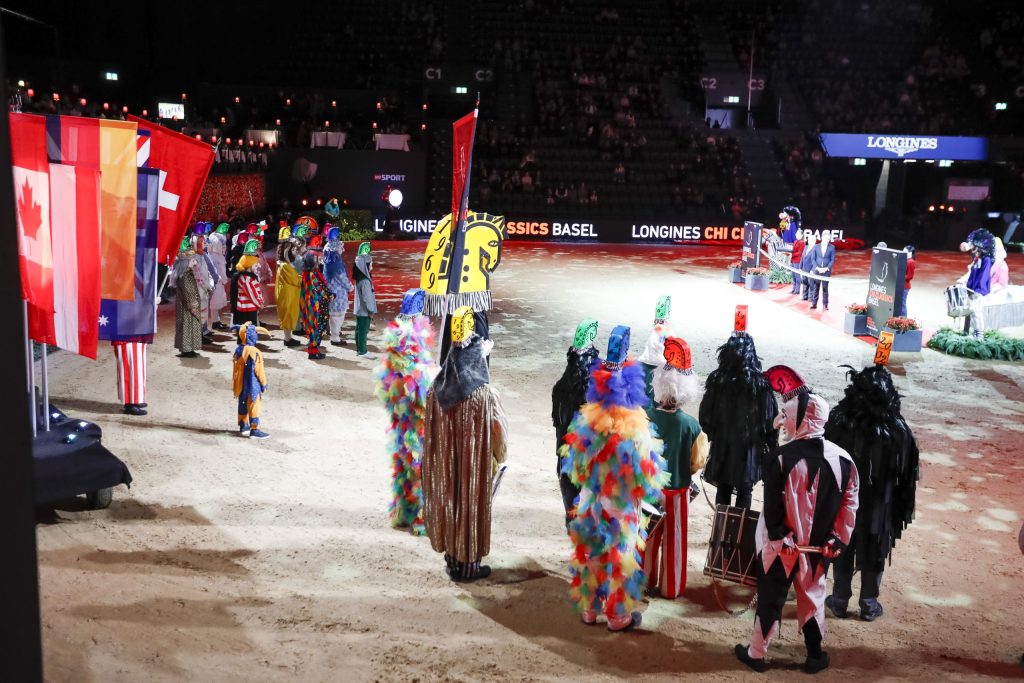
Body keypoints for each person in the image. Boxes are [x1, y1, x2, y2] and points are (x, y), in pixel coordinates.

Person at [735, 365, 859, 675]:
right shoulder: (845, 461)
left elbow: (773, 507)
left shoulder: (779, 458)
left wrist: (780, 535)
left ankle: (756, 653)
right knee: (813, 596)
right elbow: (850, 504)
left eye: (788, 416)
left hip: (781, 546)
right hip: (819, 548)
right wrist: (838, 539)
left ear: (798, 419)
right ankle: (815, 655)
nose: (784, 422)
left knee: (771, 598)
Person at [560, 325, 668, 631]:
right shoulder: (635, 426)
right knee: (620, 557)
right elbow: (646, 472)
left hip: (591, 499)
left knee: (591, 552)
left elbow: (575, 465)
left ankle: (589, 609)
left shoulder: (587, 418)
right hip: (619, 503)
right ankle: (618, 617)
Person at [824, 364, 919, 622]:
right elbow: (908, 475)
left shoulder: (839, 421)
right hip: (880, 503)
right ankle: (868, 603)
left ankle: (839, 600)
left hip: (845, 500)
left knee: (843, 543)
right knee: (875, 547)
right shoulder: (898, 428)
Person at [421, 306, 509, 582]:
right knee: (469, 501)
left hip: (447, 463)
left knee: (450, 498)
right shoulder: (482, 394)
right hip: (471, 464)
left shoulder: (437, 389)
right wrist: (498, 456)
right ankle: (469, 565)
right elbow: (497, 435)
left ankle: (452, 559)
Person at [643, 336, 707, 599]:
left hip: (649, 489)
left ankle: (643, 581)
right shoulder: (692, 425)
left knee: (647, 538)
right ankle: (671, 587)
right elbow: (697, 462)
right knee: (674, 540)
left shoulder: (644, 416)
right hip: (677, 491)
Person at [374, 289, 437, 535]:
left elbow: (388, 387)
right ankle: (421, 518)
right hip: (416, 422)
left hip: (400, 421)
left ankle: (403, 513)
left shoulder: (394, 344)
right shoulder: (412, 342)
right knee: (420, 467)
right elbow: (419, 389)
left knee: (403, 467)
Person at [699, 326, 778, 509]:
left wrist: (713, 433)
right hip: (750, 448)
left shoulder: (718, 380)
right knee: (745, 490)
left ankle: (720, 525)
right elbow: (770, 419)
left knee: (723, 488)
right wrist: (771, 445)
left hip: (723, 444)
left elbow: (705, 415)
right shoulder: (761, 383)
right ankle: (739, 526)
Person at [551, 318, 600, 528]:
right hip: (587, 459)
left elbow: (558, 423)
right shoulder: (596, 389)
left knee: (574, 513)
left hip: (568, 456)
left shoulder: (560, 387)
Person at [169, 236, 212, 358]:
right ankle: (187, 349)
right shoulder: (185, 275)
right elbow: (188, 291)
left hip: (186, 305)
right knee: (187, 326)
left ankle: (189, 348)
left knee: (188, 326)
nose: (194, 262)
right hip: (188, 306)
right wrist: (193, 305)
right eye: (192, 260)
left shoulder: (186, 273)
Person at [233, 321, 271, 439]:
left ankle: (243, 425)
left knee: (242, 403)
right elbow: (259, 370)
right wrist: (264, 383)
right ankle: (255, 430)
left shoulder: (238, 350)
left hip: (241, 384)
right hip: (253, 384)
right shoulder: (255, 352)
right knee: (254, 404)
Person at [299, 236, 331, 360]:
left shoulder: (313, 272)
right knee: (316, 328)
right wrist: (329, 295)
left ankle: (315, 348)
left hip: (317, 304)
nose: (321, 260)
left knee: (318, 328)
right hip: (315, 306)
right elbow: (319, 289)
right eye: (319, 258)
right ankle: (313, 351)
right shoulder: (311, 274)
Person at [274, 226, 305, 348]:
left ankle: (288, 338)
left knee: (288, 315)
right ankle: (287, 339)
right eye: (293, 250)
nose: (295, 252)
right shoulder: (286, 266)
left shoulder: (284, 265)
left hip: (287, 294)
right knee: (288, 315)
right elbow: (296, 280)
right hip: (287, 295)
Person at [323, 227, 354, 346]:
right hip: (338, 293)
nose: (343, 249)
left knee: (333, 315)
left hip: (330, 291)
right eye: (341, 247)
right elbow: (342, 278)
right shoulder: (336, 264)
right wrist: (350, 287)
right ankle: (335, 337)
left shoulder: (328, 261)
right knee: (338, 316)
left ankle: (334, 334)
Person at [637, 296, 671, 403]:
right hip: (653, 363)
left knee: (651, 389)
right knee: (651, 389)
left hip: (655, 363)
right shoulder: (662, 330)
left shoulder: (663, 330)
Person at [353, 242, 378, 359]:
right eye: (371, 264)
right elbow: (367, 298)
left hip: (359, 310)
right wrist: (371, 310)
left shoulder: (359, 278)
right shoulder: (366, 281)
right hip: (365, 311)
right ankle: (363, 351)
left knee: (359, 329)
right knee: (363, 330)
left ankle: (359, 349)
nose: (372, 266)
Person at [233, 238, 265, 327]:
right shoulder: (247, 278)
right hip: (247, 308)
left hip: (249, 307)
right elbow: (252, 293)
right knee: (249, 328)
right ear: (249, 265)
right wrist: (260, 302)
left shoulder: (249, 277)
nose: (257, 266)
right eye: (255, 264)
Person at [206, 222, 231, 330]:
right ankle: (215, 322)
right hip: (216, 281)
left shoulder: (211, 255)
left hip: (215, 280)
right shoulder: (217, 257)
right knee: (215, 300)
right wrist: (224, 279)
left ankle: (216, 320)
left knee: (214, 300)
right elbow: (220, 270)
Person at [807, 232, 835, 310]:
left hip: (826, 271)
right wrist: (816, 267)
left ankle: (825, 305)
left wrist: (827, 268)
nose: (827, 240)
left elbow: (832, 260)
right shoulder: (816, 246)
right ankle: (814, 303)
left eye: (828, 239)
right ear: (822, 237)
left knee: (825, 288)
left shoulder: (832, 247)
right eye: (826, 238)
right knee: (816, 287)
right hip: (817, 270)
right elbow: (813, 259)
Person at [799, 231, 817, 300]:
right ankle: (804, 296)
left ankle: (810, 297)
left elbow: (816, 261)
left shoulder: (816, 248)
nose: (809, 241)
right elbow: (802, 257)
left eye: (811, 240)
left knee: (811, 284)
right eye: (809, 239)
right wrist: (800, 267)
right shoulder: (806, 247)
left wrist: (813, 270)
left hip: (811, 270)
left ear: (814, 241)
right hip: (804, 269)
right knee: (805, 282)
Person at [790, 229, 806, 295]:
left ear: (802, 235)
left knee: (797, 276)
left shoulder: (802, 242)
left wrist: (791, 254)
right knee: (793, 275)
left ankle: (797, 290)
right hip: (793, 260)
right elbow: (793, 250)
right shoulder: (795, 241)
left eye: (798, 234)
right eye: (796, 234)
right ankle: (794, 289)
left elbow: (800, 253)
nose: (796, 235)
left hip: (798, 261)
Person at [901, 245, 916, 317]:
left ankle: (904, 319)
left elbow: (910, 276)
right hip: (900, 285)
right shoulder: (904, 260)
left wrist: (900, 277)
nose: (903, 252)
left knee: (902, 303)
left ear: (910, 253)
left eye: (905, 251)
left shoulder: (911, 262)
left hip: (905, 286)